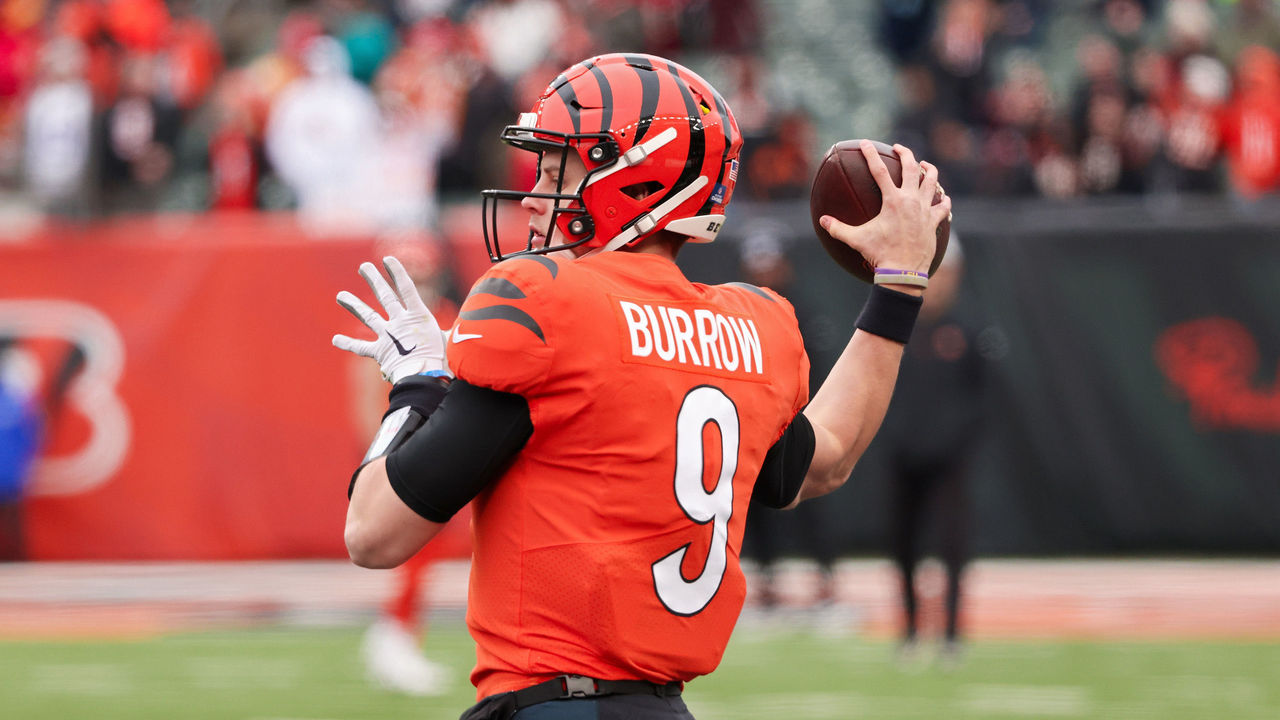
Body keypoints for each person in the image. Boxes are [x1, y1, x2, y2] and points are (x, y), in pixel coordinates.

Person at [332, 53, 950, 720]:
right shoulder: (749, 329)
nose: (538, 193)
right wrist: (898, 289)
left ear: (632, 177)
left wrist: (418, 385)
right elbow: (826, 458)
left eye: (556, 167)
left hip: (551, 704)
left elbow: (373, 533)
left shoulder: (547, 307)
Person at [876, 237, 986, 668]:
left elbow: (983, 398)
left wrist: (958, 442)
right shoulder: (896, 326)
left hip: (950, 460)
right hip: (902, 455)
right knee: (902, 544)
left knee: (952, 543)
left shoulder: (969, 331)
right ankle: (910, 630)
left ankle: (952, 634)